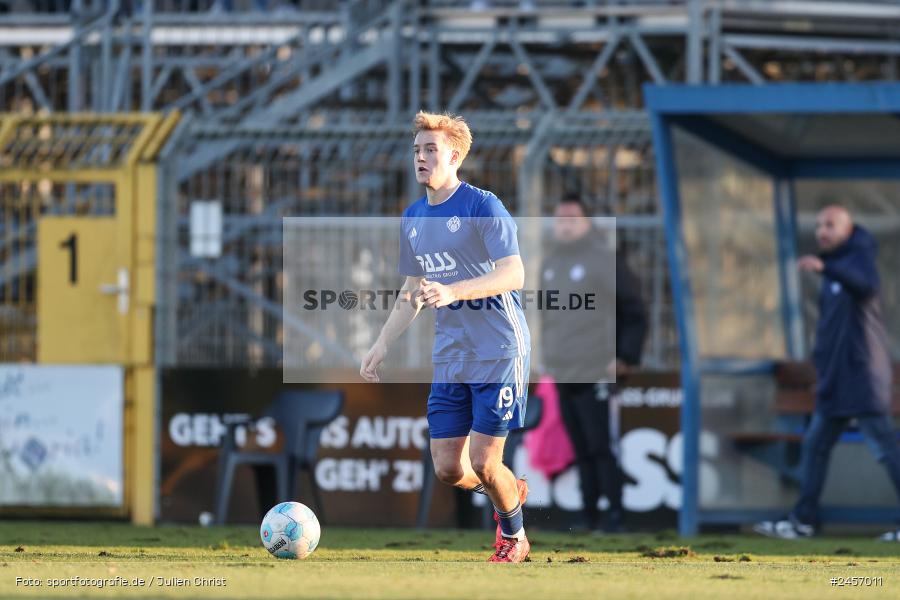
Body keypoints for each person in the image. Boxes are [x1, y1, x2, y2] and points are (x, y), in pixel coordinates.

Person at [360, 111, 532, 562]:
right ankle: (509, 490)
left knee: (483, 462)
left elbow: (513, 272)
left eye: (430, 149)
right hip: (452, 355)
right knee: (447, 469)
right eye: (417, 150)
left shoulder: (483, 205)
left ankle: (514, 537)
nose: (420, 157)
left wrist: (454, 290)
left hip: (498, 349)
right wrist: (382, 344)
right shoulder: (414, 217)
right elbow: (411, 291)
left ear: (454, 155)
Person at [755, 205, 900, 540]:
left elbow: (864, 285)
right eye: (819, 225)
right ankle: (803, 519)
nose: (822, 231)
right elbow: (828, 327)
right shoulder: (833, 271)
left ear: (848, 229)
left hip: (862, 379)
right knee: (816, 445)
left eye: (830, 225)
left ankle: (804, 518)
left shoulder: (857, 259)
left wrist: (826, 268)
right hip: (835, 381)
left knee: (884, 449)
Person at [541, 195, 647, 533]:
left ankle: (616, 516)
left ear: (587, 222)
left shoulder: (605, 260)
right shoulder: (550, 263)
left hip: (598, 368)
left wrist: (625, 356)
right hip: (563, 370)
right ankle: (588, 516)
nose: (565, 225)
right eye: (560, 219)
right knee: (580, 447)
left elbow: (634, 313)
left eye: (572, 218)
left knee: (601, 445)